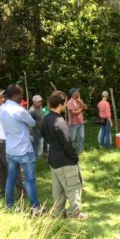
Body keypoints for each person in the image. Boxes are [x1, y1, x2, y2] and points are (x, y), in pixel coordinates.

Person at [41, 91, 88, 220]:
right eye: (66, 102)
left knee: (58, 190)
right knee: (73, 188)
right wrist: (74, 157)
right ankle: (74, 213)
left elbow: (43, 133)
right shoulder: (60, 121)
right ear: (61, 104)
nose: (67, 104)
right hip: (65, 161)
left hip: (53, 160)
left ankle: (58, 212)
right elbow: (68, 143)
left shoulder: (46, 118)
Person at [0, 84, 41, 211]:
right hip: (24, 150)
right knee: (30, 179)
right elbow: (32, 122)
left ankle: (10, 205)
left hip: (10, 149)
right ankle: (36, 208)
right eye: (21, 95)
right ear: (15, 95)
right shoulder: (19, 110)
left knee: (11, 178)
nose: (22, 97)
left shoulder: (2, 108)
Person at [67, 88, 88, 154]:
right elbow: (72, 113)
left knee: (81, 138)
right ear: (73, 94)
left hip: (80, 123)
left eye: (79, 92)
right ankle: (71, 151)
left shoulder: (79, 100)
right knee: (72, 139)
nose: (79, 93)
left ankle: (80, 151)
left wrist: (81, 103)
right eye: (77, 92)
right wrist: (81, 109)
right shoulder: (70, 102)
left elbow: (86, 108)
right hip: (73, 124)